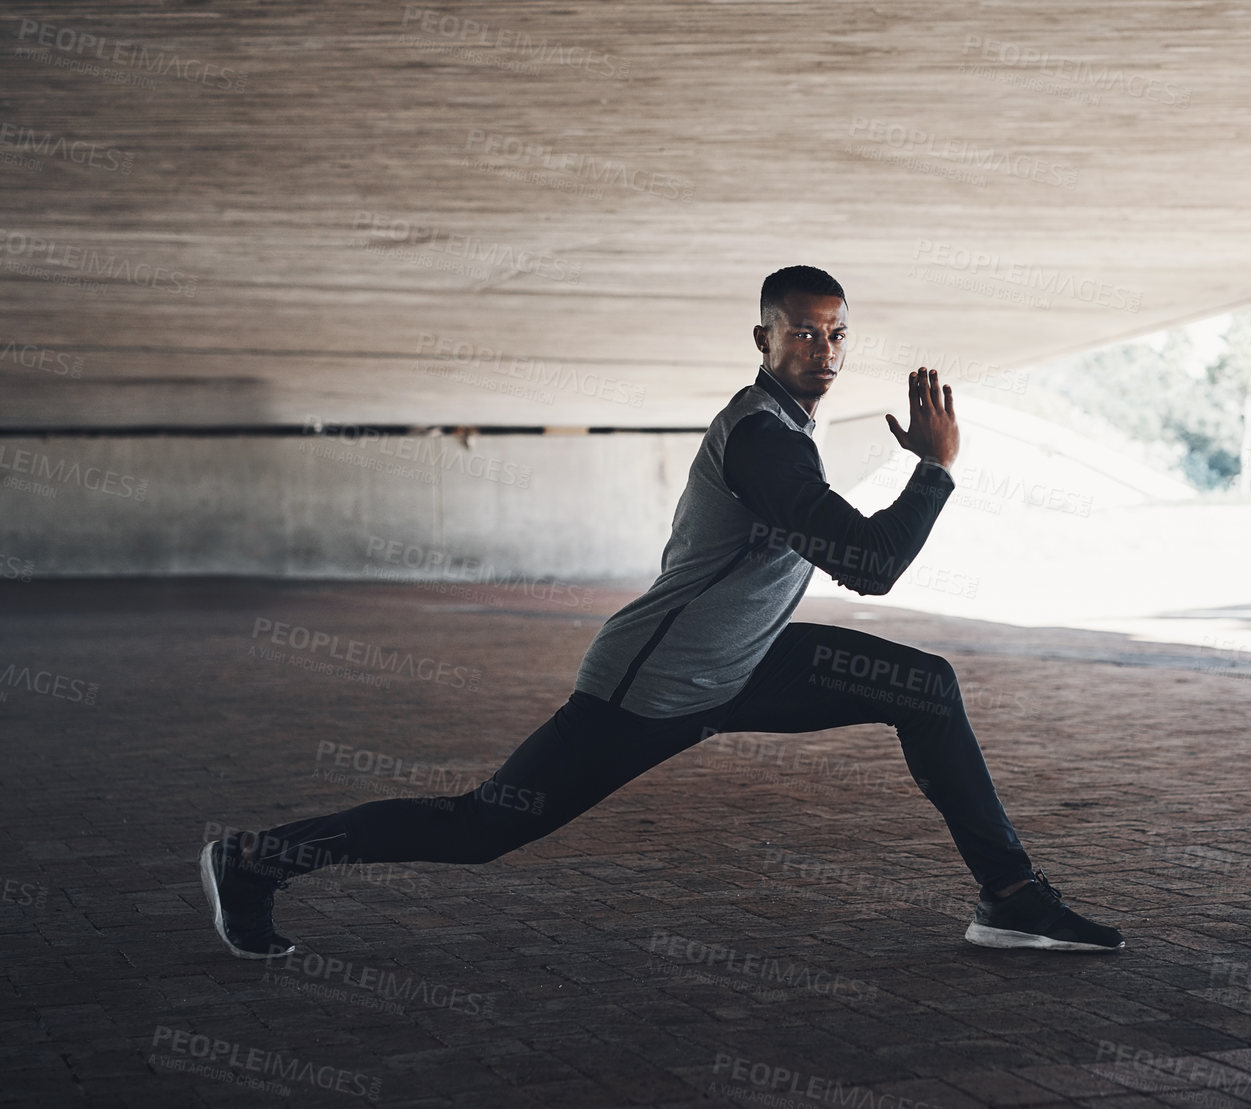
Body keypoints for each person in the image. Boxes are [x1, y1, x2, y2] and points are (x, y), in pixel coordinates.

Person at [200, 265, 1124, 961]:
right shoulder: (764, 438)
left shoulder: (792, 428)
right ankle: (257, 859)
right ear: (761, 338)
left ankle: (1008, 894)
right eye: (802, 334)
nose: (824, 352)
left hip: (745, 661)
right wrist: (935, 468)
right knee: (480, 829)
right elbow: (869, 566)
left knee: (920, 685)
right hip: (656, 685)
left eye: (838, 336)